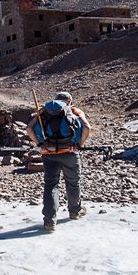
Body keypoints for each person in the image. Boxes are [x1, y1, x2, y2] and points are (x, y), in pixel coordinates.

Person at [26, 91, 92, 233]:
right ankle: (75, 211)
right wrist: (79, 145)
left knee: (51, 185)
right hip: (69, 153)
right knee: (73, 182)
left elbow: (29, 128)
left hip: (48, 154)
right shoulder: (74, 111)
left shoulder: (43, 111)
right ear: (69, 100)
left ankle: (50, 221)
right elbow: (87, 127)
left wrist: (39, 144)